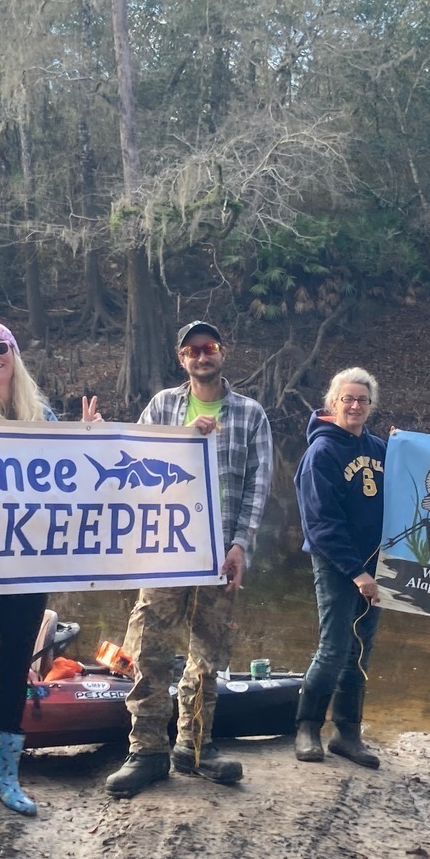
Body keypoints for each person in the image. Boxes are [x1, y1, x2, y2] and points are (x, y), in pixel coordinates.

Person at [0, 320, 100, 819]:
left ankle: (2, 776)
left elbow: (69, 481)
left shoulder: (43, 415)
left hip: (28, 563)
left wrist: (91, 443)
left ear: (14, 352)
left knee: (14, 666)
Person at [105, 319, 275, 797]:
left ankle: (194, 746)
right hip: (165, 550)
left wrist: (241, 544)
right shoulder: (163, 406)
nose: (203, 355)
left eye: (210, 347)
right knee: (148, 650)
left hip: (218, 555)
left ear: (222, 353)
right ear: (182, 359)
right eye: (193, 350)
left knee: (208, 653)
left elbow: (258, 487)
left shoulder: (250, 414)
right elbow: (130, 459)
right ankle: (147, 752)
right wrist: (183, 435)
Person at [293, 368, 386, 767]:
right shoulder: (321, 453)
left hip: (376, 564)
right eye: (347, 399)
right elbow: (321, 524)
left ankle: (348, 734)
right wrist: (356, 572)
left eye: (362, 400)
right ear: (333, 403)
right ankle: (307, 728)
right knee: (333, 648)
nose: (355, 405)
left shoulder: (381, 448)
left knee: (360, 650)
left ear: (371, 406)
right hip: (335, 563)